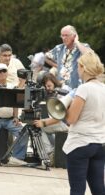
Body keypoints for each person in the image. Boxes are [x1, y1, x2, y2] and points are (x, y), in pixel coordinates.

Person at [63, 51, 105, 195]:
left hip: (80, 144)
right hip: (99, 144)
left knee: (77, 189)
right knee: (99, 189)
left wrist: (66, 106)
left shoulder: (84, 88)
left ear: (83, 67)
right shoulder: (103, 88)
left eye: (78, 67)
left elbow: (71, 119)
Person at [0, 63, 28, 166]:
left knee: (24, 132)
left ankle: (17, 157)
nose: (2, 73)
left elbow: (15, 104)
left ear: (7, 73)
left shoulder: (12, 86)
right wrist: (4, 101)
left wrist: (16, 116)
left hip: (9, 119)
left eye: (4, 71)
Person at [45, 25, 89, 90]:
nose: (64, 38)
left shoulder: (83, 46)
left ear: (74, 36)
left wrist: (76, 42)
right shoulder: (59, 48)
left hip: (77, 88)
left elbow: (88, 54)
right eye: (62, 35)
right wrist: (58, 66)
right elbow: (46, 57)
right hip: (61, 88)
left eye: (66, 35)